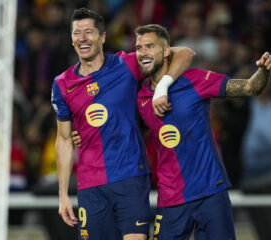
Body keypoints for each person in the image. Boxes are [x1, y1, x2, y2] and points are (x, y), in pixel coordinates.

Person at [51, 8, 194, 240]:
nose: (83, 38)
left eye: (89, 32)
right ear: (71, 38)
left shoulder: (126, 65)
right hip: (90, 186)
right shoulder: (62, 83)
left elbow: (185, 53)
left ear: (103, 37)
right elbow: (64, 138)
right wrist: (63, 195)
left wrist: (162, 87)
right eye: (77, 33)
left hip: (130, 177)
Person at [133, 24, 271, 240]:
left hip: (210, 192)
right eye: (139, 47)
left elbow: (251, 87)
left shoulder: (196, 79)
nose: (142, 52)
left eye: (149, 46)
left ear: (165, 51)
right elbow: (126, 132)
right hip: (170, 199)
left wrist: (263, 71)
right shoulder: (140, 97)